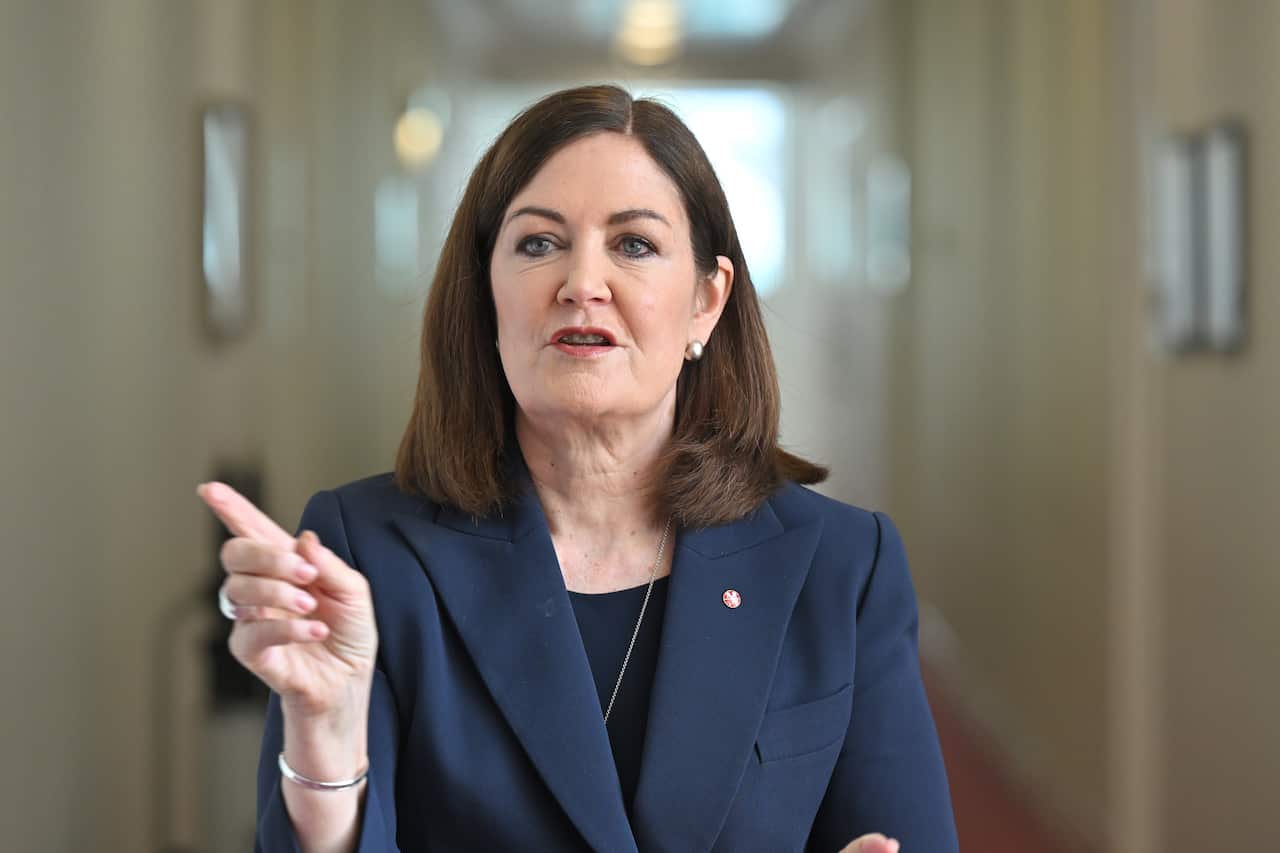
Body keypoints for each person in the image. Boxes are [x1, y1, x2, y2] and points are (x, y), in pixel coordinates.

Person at [197, 84, 958, 853]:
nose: (581, 284)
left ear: (706, 300)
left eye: (634, 244)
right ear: (485, 292)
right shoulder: (365, 557)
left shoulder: (841, 568)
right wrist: (326, 738)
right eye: (538, 243)